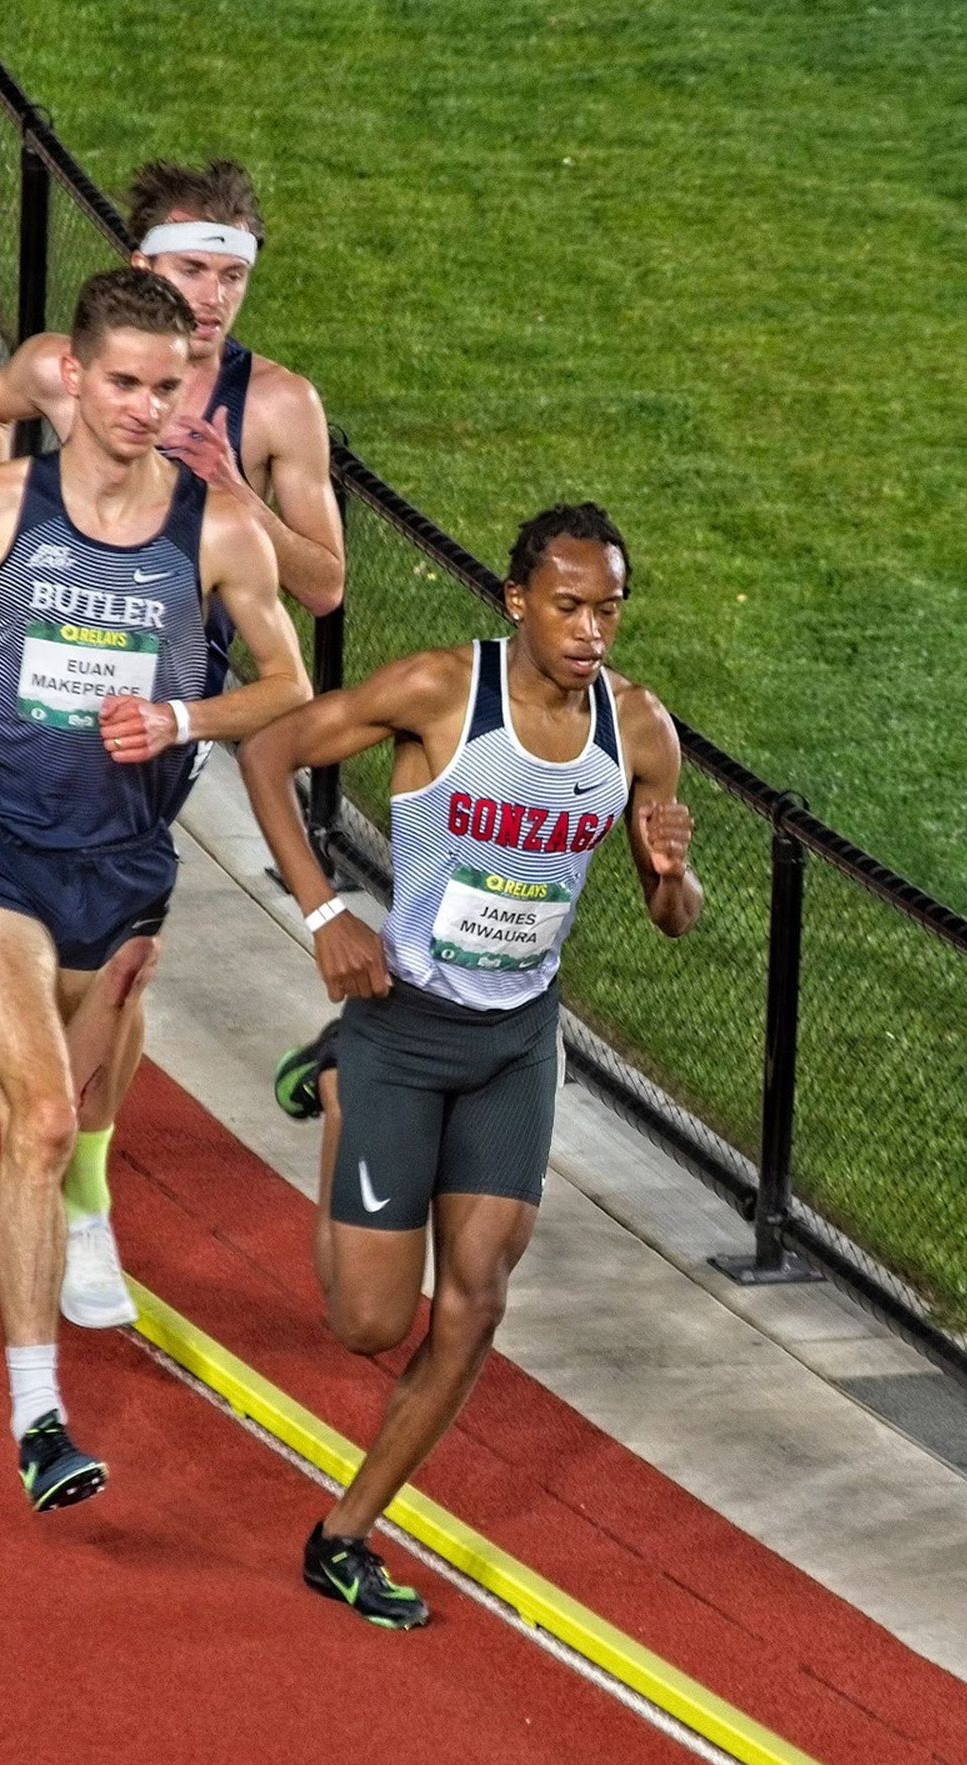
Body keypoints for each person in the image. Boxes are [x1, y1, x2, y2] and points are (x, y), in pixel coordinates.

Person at [0, 268, 311, 1512]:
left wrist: (184, 714)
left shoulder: (220, 532)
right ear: (73, 378)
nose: (149, 408)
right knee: (39, 1120)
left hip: (126, 861)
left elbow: (287, 684)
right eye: (128, 384)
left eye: (170, 385)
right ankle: (39, 1418)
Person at [239, 502, 700, 1625]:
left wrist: (666, 877)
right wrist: (322, 917)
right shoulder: (444, 690)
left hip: (513, 1042)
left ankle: (342, 1534)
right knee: (367, 1324)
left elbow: (673, 915)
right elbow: (268, 749)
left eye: (610, 607)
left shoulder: (639, 733)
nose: (593, 628)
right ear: (517, 602)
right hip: (401, 1025)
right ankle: (342, 1084)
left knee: (477, 1301)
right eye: (569, 604)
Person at [0, 157, 346, 1322]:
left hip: (158, 728)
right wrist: (12, 565)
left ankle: (79, 1201)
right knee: (54, 966)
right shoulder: (82, 369)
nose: (214, 295)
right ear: (139, 269)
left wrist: (241, 493)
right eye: (190, 269)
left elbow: (321, 589)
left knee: (115, 969)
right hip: (35, 700)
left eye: (231, 274)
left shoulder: (277, 408)